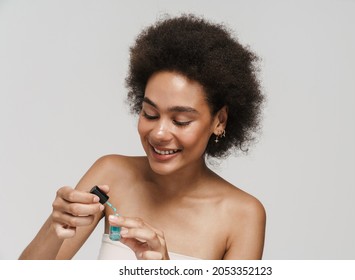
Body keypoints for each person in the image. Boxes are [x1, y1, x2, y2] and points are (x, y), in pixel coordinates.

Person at [19, 14, 266, 260]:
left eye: (181, 121)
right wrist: (55, 227)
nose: (159, 134)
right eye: (150, 114)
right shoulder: (112, 174)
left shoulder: (243, 215)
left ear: (219, 121)